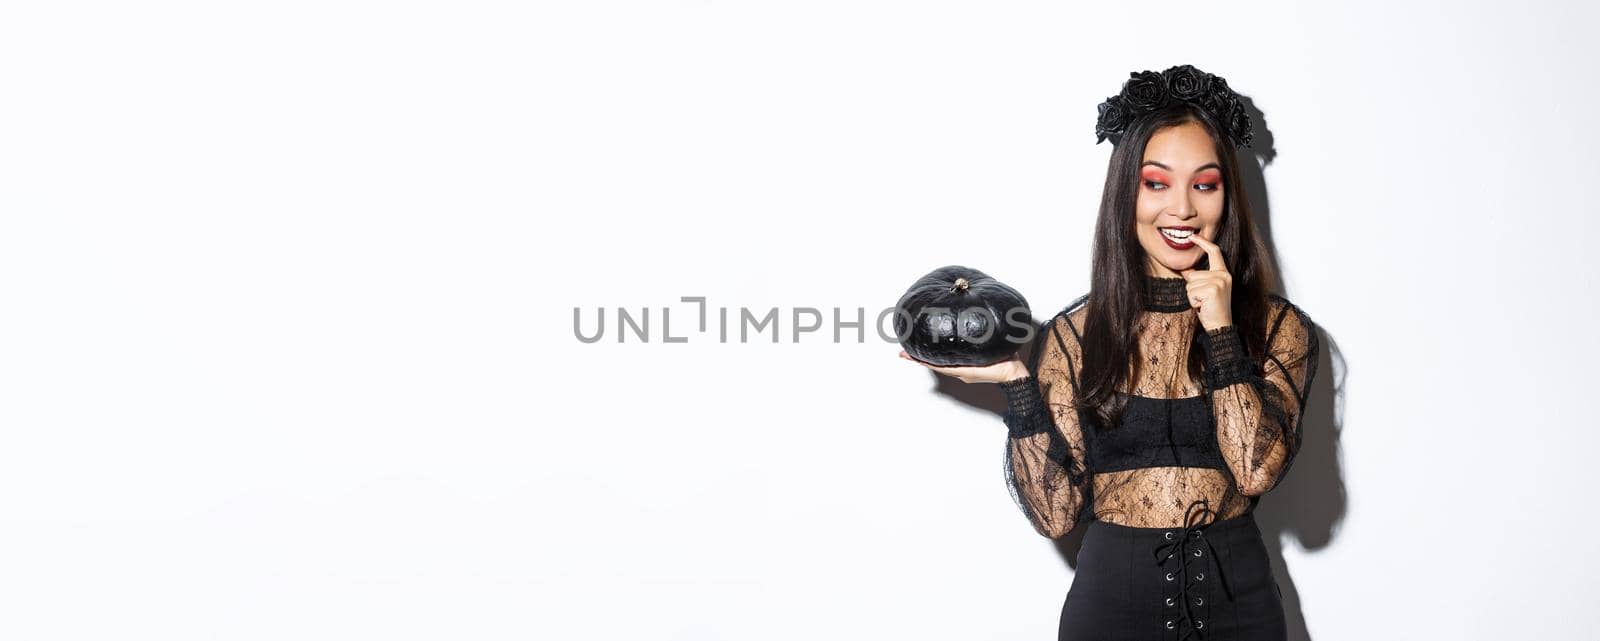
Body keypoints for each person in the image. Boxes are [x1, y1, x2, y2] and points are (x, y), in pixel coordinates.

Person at [900, 65, 1320, 641]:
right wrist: (1018, 385)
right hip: (1110, 610)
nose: (1181, 209)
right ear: (1127, 192)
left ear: (1228, 194)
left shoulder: (1277, 328)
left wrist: (1222, 331)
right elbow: (1054, 517)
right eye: (1156, 183)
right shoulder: (1075, 336)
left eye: (1204, 184)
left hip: (1241, 608)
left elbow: (1254, 470)